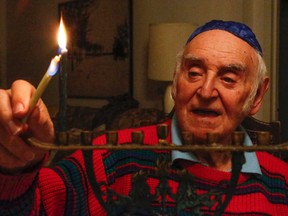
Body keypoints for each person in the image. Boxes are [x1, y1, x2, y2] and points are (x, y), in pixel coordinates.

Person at [0, 20, 287, 215]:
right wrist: (14, 167)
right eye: (194, 73)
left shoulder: (280, 183)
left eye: (227, 78)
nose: (206, 90)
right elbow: (32, 205)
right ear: (176, 84)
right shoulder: (113, 157)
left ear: (257, 96)